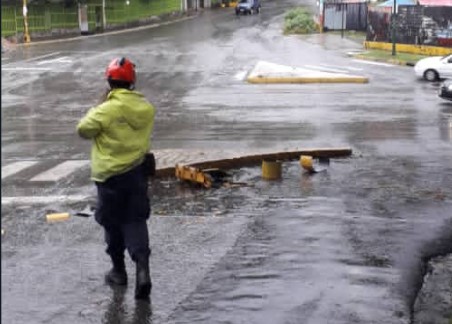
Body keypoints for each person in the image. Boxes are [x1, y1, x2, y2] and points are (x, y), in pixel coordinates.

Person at [76, 57, 156, 300]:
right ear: (132, 82)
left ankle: (119, 272)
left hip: (110, 177)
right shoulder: (146, 109)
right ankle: (143, 271)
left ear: (110, 82)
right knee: (135, 219)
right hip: (136, 173)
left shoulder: (105, 110)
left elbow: (83, 129)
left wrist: (99, 106)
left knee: (112, 222)